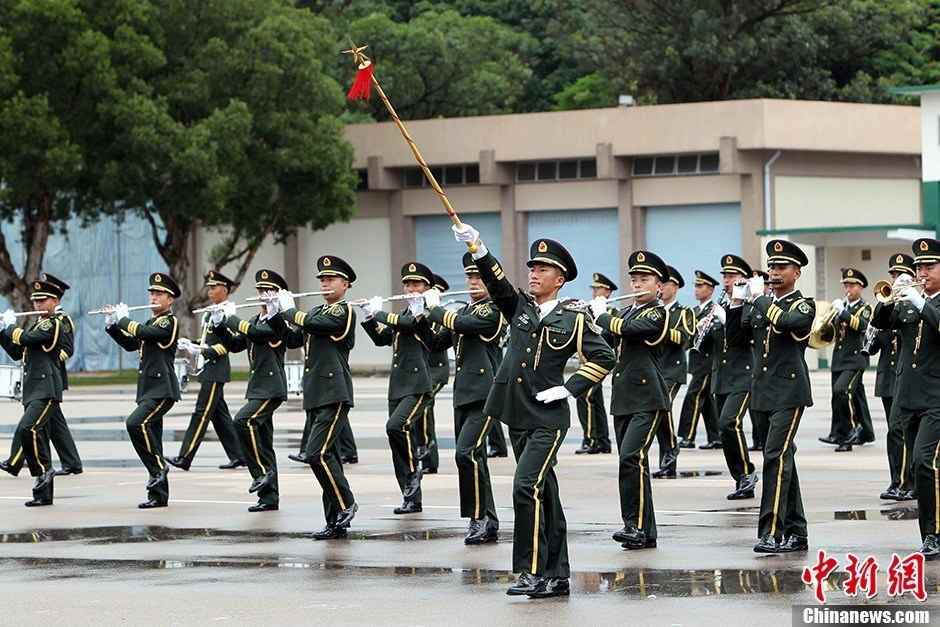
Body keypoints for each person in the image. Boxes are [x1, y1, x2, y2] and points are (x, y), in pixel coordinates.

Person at [454, 223, 615, 599]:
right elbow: (498, 285)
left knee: (526, 486)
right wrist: (478, 248)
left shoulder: (573, 319)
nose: (534, 273)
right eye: (532, 268)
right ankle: (558, 575)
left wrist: (571, 387)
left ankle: (530, 571)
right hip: (518, 412)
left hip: (549, 418)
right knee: (546, 496)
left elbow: (605, 356)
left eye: (542, 269)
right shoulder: (520, 308)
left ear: (559, 279)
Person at [729, 240, 814, 554]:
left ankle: (771, 532)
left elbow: (787, 322)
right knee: (782, 459)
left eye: (781, 268)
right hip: (763, 392)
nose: (775, 273)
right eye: (772, 267)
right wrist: (737, 305)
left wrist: (759, 299)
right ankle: (797, 531)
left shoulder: (802, 304)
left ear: (797, 272)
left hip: (790, 391)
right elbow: (737, 340)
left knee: (774, 458)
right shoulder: (760, 303)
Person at [273, 256, 359, 539]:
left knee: (317, 454)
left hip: (334, 393)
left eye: (331, 279)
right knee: (328, 456)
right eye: (322, 279)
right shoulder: (318, 311)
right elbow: (294, 339)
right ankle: (335, 521)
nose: (324, 283)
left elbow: (313, 323)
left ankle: (346, 504)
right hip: (316, 393)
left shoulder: (341, 312)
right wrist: (275, 313)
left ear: (345, 285)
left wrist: (290, 311)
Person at [425, 252, 507, 544]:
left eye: (479, 277)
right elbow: (435, 343)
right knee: (475, 457)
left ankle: (480, 518)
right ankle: (486, 519)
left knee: (466, 453)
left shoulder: (493, 310)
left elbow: (463, 325)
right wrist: (420, 314)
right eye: (470, 277)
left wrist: (435, 308)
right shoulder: (466, 311)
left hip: (486, 393)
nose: (473, 282)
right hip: (464, 394)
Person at [591, 251, 670, 549]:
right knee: (634, 464)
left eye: (644, 280)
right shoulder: (624, 313)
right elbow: (606, 344)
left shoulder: (657, 313)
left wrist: (601, 314)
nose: (637, 285)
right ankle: (644, 530)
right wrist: (586, 319)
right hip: (624, 398)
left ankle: (633, 525)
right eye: (634, 280)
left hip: (648, 398)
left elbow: (631, 330)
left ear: (659, 286)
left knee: (631, 458)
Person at [872, 238, 940, 559]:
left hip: (937, 398)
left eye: (929, 266)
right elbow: (881, 327)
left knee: (926, 462)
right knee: (916, 466)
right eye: (919, 267)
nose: (922, 272)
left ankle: (934, 535)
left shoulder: (930, 303)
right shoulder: (909, 301)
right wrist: (888, 301)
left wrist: (919, 300)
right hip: (909, 395)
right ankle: (929, 533)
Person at [211, 269, 296, 512]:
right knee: (264, 442)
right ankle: (269, 498)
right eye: (260, 291)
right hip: (257, 388)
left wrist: (231, 319)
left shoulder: (278, 321)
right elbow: (235, 344)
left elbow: (259, 335)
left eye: (269, 291)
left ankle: (260, 473)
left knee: (242, 421)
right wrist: (219, 325)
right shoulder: (255, 320)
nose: (263, 295)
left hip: (271, 388)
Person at [360, 262, 435, 514]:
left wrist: (380, 313)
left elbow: (410, 326)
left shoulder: (427, 312)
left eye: (416, 284)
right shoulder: (404, 313)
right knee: (397, 442)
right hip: (398, 386)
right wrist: (370, 318)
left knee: (396, 426)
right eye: (407, 284)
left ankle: (415, 474)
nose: (410, 288)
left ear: (427, 288)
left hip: (418, 385)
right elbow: (383, 338)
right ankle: (411, 498)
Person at [105, 272, 181, 508]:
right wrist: (113, 326)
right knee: (153, 440)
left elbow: (144, 334)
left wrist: (124, 320)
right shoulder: (151, 322)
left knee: (135, 423)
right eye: (152, 293)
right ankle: (158, 496)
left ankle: (158, 467)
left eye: (159, 294)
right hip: (148, 388)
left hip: (162, 389)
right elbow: (132, 343)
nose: (154, 297)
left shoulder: (169, 321)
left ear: (170, 300)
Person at [0, 275, 73, 506]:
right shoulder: (38, 323)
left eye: (43, 301)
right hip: (34, 389)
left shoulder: (54, 323)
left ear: (54, 301)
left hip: (46, 389)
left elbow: (27, 337)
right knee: (35, 433)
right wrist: (2, 331)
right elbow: (16, 350)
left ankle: (43, 471)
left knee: (28, 429)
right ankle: (43, 492)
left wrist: (11, 326)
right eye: (36, 301)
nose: (38, 305)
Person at [169, 270, 246, 471]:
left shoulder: (228, 313)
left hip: (216, 370)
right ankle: (239, 455)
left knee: (201, 414)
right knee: (220, 417)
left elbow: (227, 346)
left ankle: (185, 457)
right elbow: (207, 341)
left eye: (214, 288)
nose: (210, 291)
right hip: (208, 369)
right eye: (209, 288)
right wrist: (192, 344)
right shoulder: (212, 311)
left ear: (225, 290)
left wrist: (203, 350)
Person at [867, 253, 915, 501]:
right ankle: (897, 479)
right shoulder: (888, 305)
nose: (894, 279)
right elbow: (875, 345)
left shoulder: (913, 303)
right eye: (893, 275)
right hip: (888, 376)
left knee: (901, 430)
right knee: (893, 432)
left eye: (900, 275)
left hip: (907, 378)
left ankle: (907, 482)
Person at [651, 266, 692, 478]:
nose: (661, 288)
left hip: (672, 369)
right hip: (653, 371)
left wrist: (660, 327)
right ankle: (667, 458)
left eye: (665, 283)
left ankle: (670, 453)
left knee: (661, 409)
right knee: (659, 412)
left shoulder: (683, 312)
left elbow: (685, 339)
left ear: (674, 287)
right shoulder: (651, 310)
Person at [677, 271, 721, 450]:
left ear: (710, 289)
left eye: (700, 286)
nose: (696, 289)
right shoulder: (694, 311)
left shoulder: (715, 310)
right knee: (708, 401)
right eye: (696, 286)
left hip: (708, 362)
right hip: (696, 362)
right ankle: (716, 437)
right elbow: (688, 337)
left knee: (693, 396)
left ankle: (687, 436)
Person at [574, 272, 617, 455]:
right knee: (595, 400)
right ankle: (603, 441)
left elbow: (608, 336)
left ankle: (591, 439)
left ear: (607, 292)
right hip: (586, 361)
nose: (595, 292)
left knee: (585, 395)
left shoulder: (612, 313)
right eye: (594, 288)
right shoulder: (588, 311)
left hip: (600, 362)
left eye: (598, 288)